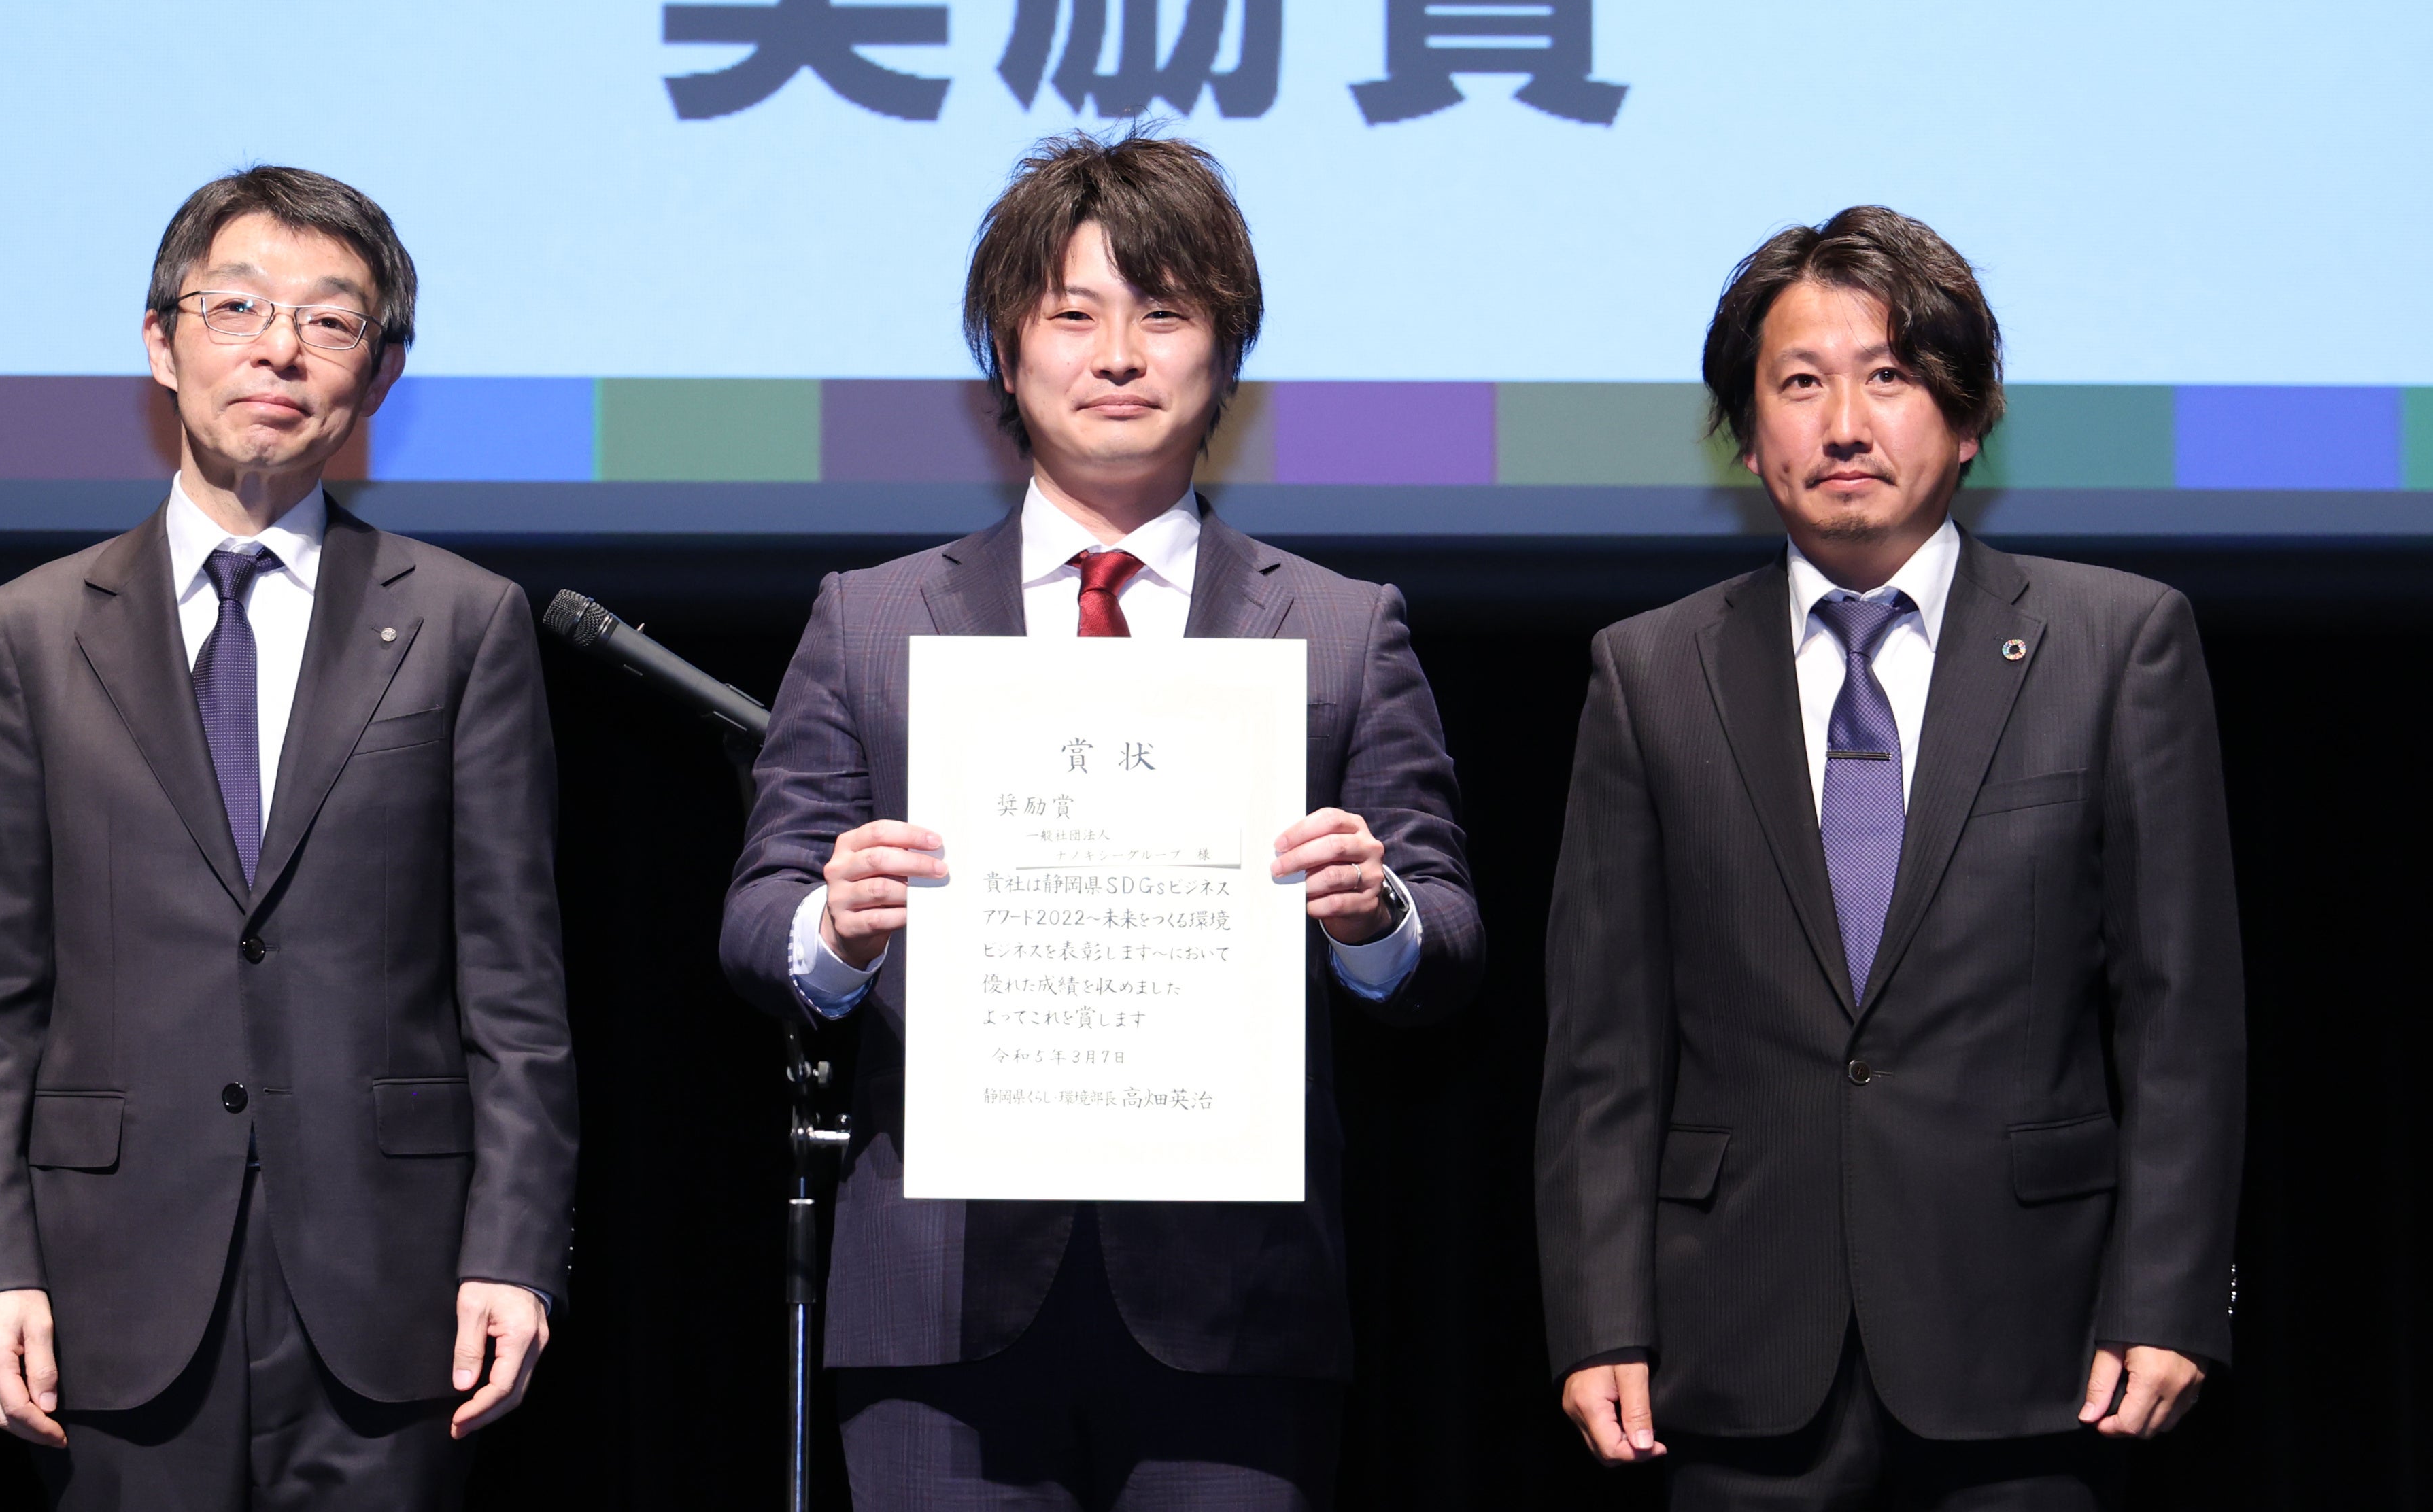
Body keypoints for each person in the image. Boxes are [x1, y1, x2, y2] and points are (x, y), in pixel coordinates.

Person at [721, 133, 1483, 1509]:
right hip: (938, 1304)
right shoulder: (871, 620)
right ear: (1008, 356)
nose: (1119, 355)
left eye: (1165, 313)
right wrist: (834, 925)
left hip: (1237, 1308)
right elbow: (757, 918)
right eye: (1073, 315)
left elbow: (1448, 939)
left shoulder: (1341, 627)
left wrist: (1375, 917)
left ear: (1226, 358)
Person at [1535, 206, 2246, 1509]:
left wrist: (2171, 1295)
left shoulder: (2117, 644)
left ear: (1968, 420)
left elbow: (2180, 1018)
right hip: (1739, 1346)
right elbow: (1604, 1049)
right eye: (1801, 384)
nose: (1846, 424)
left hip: (2034, 1348)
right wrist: (1599, 1319)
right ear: (1746, 434)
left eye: (1893, 377)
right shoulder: (1649, 674)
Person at [0, 165, 578, 1508]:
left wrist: (514, 1251)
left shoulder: (462, 622)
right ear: (161, 343)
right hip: (106, 1287)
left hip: (391, 1288)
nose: (280, 349)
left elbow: (516, 988)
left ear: (378, 377)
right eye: (238, 307)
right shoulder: (30, 632)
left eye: (330, 320)